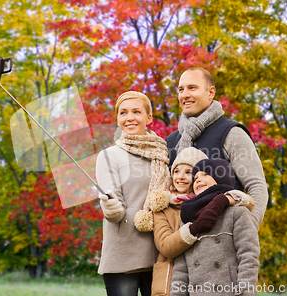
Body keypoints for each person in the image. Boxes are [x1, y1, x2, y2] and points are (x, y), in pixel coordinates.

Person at [166, 67, 268, 228]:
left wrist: (245, 231)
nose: (185, 94)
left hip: (221, 240)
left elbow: (256, 186)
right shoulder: (171, 141)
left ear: (211, 92)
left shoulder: (231, 132)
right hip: (178, 242)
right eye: (181, 89)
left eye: (192, 88)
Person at [149, 147, 255, 296]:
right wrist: (196, 227)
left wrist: (245, 292)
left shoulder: (236, 211)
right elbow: (181, 269)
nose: (198, 178)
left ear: (221, 178)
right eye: (196, 176)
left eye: (205, 174)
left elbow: (248, 256)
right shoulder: (187, 217)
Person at [96, 90, 171, 296]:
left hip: (160, 253)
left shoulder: (162, 153)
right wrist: (110, 207)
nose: (130, 117)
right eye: (123, 113)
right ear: (117, 119)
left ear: (148, 117)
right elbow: (116, 212)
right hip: (123, 253)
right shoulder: (109, 156)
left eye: (136, 112)